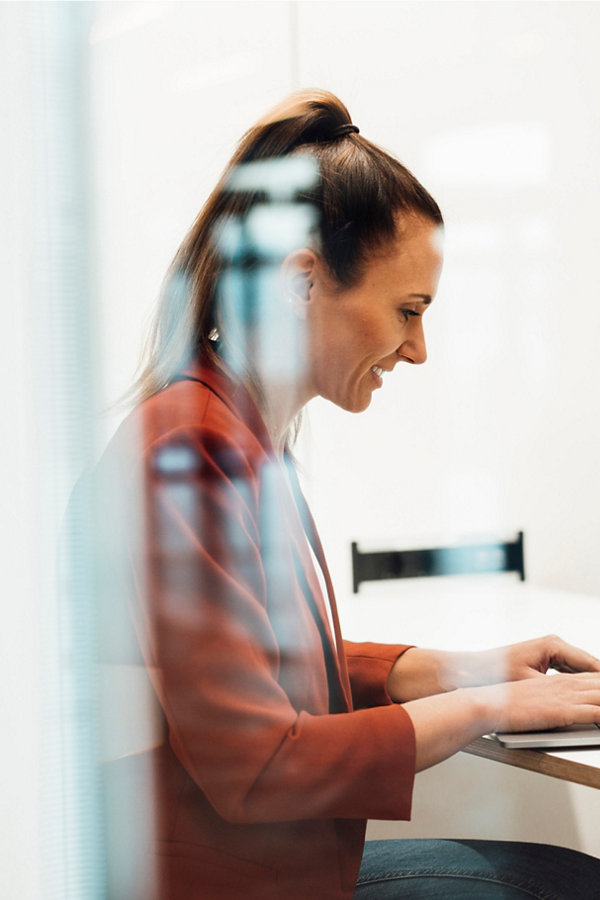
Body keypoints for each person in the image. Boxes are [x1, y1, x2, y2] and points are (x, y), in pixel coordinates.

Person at [97, 89, 600, 899]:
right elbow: (257, 768)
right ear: (302, 285)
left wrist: (466, 674)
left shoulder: (229, 432)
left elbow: (262, 671)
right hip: (224, 882)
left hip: (261, 870)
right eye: (407, 310)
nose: (419, 349)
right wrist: (485, 705)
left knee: (564, 876)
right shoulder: (190, 449)